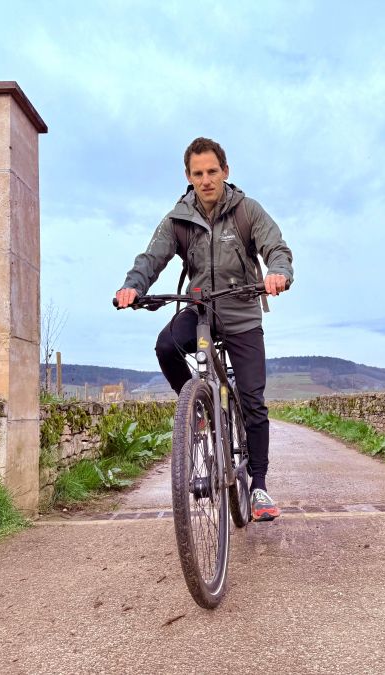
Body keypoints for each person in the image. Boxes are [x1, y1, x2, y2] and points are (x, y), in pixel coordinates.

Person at [115, 137, 293, 522]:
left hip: (243, 311)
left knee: (253, 400)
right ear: (188, 176)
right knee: (166, 346)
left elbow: (276, 247)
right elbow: (151, 258)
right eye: (198, 173)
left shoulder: (247, 211)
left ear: (225, 172)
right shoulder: (179, 219)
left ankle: (258, 485)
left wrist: (278, 273)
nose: (206, 179)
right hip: (201, 309)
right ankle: (196, 408)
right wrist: (133, 286)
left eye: (213, 171)